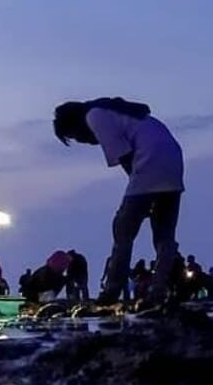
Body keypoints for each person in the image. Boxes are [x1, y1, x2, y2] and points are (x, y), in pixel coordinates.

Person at [55, 98, 185, 307]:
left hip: (149, 162)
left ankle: (112, 292)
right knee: (164, 235)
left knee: (123, 229)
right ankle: (159, 291)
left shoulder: (95, 115)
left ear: (73, 123)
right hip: (173, 163)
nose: (81, 141)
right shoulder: (116, 111)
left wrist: (139, 195)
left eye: (74, 136)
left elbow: (125, 158)